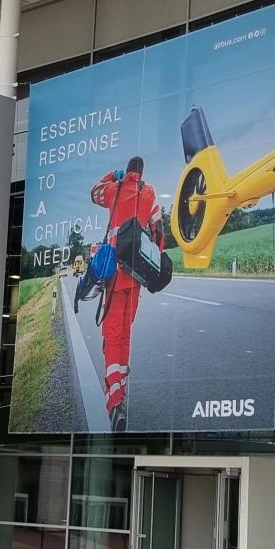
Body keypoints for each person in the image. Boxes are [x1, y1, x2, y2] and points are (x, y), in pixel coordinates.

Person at [91, 155, 158, 431]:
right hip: (136, 277)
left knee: (112, 337)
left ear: (127, 171)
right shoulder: (149, 192)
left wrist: (112, 175)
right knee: (125, 336)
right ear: (142, 173)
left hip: (114, 276)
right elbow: (159, 234)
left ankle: (114, 401)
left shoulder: (114, 189)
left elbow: (94, 193)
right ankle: (121, 392)